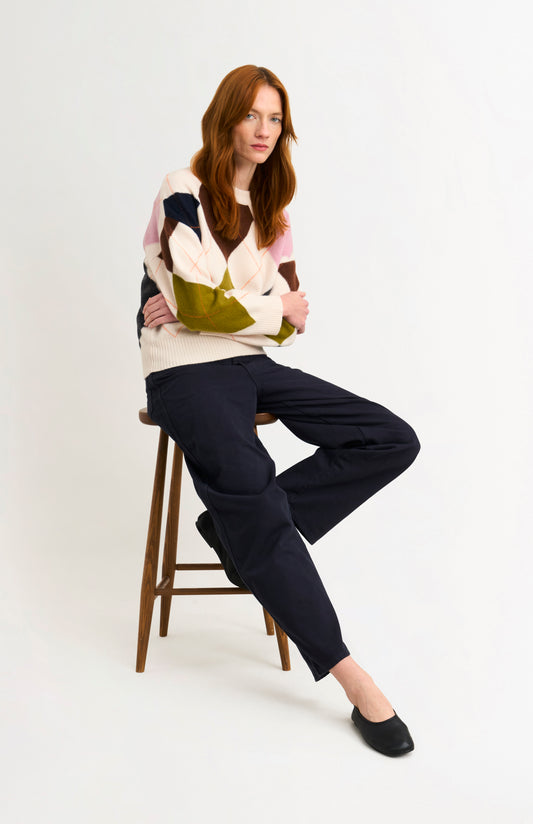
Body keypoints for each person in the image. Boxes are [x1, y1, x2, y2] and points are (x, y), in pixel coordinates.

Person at [137, 65, 421, 757]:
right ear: (226, 119)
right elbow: (204, 307)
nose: (263, 130)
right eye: (251, 115)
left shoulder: (274, 218)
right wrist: (243, 309)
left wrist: (227, 311)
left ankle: (238, 530)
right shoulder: (183, 190)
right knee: (256, 500)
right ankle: (353, 678)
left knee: (390, 438)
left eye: (275, 119)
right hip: (182, 372)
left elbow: (292, 324)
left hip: (251, 364)